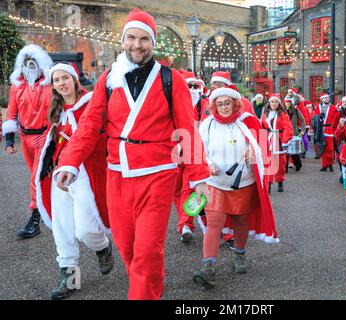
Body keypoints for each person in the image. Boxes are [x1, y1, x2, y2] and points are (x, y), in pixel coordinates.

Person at [54, 8, 210, 300]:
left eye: (144, 39)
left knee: (148, 250)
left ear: (152, 43)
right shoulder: (108, 79)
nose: (137, 45)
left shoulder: (170, 79)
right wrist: (70, 162)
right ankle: (149, 285)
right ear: (123, 39)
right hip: (118, 176)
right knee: (127, 248)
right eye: (131, 38)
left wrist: (199, 175)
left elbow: (188, 129)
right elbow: (88, 126)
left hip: (158, 174)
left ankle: (144, 292)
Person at [35, 62, 113, 300]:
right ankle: (69, 279)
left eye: (65, 78)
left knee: (87, 229)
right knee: (63, 229)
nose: (61, 83)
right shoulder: (55, 111)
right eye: (56, 80)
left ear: (75, 80)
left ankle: (102, 248)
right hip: (60, 176)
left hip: (87, 176)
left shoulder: (92, 103)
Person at [194, 87, 279, 288]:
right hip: (214, 184)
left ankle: (239, 254)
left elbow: (261, 148)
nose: (224, 107)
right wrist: (208, 164)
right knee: (214, 223)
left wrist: (253, 154)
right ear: (214, 105)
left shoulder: (246, 122)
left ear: (235, 103)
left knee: (241, 221)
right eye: (220, 104)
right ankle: (208, 266)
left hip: (243, 182)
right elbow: (199, 150)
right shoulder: (207, 125)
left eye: (228, 103)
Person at [2, 44, 53, 239]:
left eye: (34, 60)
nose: (30, 64)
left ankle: (35, 219)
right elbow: (12, 113)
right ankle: (51, 211)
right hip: (25, 137)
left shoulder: (49, 84)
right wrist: (9, 140)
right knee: (39, 176)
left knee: (36, 178)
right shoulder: (18, 86)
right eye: (27, 61)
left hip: (45, 135)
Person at [173, 69, 209, 243]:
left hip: (195, 152)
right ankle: (185, 224)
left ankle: (187, 224)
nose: (193, 89)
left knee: (188, 189)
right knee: (177, 191)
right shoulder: (172, 102)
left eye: (195, 85)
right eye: (189, 86)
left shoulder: (204, 103)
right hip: (174, 154)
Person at [261, 94, 294, 193]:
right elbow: (261, 127)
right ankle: (269, 184)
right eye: (272, 102)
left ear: (279, 104)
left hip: (279, 140)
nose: (274, 104)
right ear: (269, 103)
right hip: (267, 140)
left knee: (280, 163)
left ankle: (280, 181)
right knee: (268, 163)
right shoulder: (265, 114)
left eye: (276, 102)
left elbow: (288, 128)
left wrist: (285, 141)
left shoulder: (283, 114)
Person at [313, 93, 338, 172]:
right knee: (322, 147)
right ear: (322, 99)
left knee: (330, 148)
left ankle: (330, 163)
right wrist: (318, 116)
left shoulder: (333, 108)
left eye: (328, 98)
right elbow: (313, 118)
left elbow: (336, 119)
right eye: (325, 98)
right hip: (320, 129)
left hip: (329, 129)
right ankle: (324, 165)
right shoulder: (318, 107)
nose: (327, 99)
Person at [284, 96, 305, 172]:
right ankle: (284, 168)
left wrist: (302, 131)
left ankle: (298, 165)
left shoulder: (296, 110)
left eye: (289, 102)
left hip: (294, 133)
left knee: (294, 152)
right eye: (286, 102)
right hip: (284, 134)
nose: (288, 103)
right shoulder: (281, 111)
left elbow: (302, 120)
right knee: (285, 151)